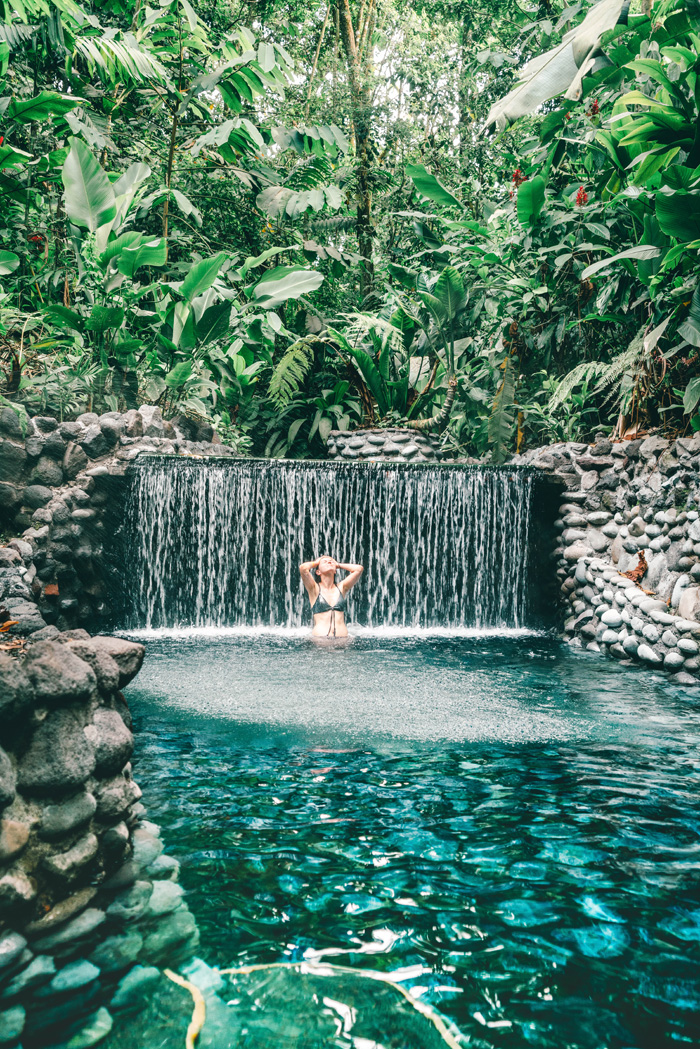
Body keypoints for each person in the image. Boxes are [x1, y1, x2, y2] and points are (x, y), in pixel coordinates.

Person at [299, 555, 364, 638]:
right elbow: (303, 568)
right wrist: (316, 563)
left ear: (335, 571)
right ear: (318, 572)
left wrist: (337, 565)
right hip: (320, 640)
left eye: (331, 561)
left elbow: (358, 569)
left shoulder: (342, 587)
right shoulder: (314, 589)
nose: (329, 562)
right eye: (324, 562)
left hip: (343, 640)